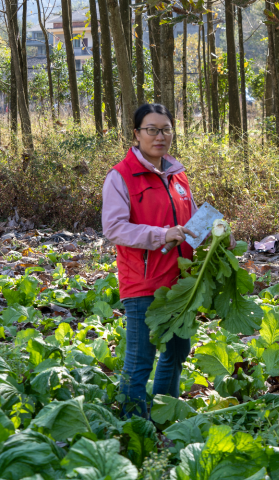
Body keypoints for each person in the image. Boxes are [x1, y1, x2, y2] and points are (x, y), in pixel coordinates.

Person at [102, 103, 221, 417]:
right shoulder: (120, 176)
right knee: (140, 360)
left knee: (177, 353)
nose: (160, 136)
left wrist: (217, 231)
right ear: (136, 134)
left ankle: (165, 416)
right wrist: (161, 235)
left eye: (166, 129)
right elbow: (114, 228)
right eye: (151, 129)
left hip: (182, 285)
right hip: (143, 282)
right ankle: (133, 427)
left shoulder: (177, 174)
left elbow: (192, 224)